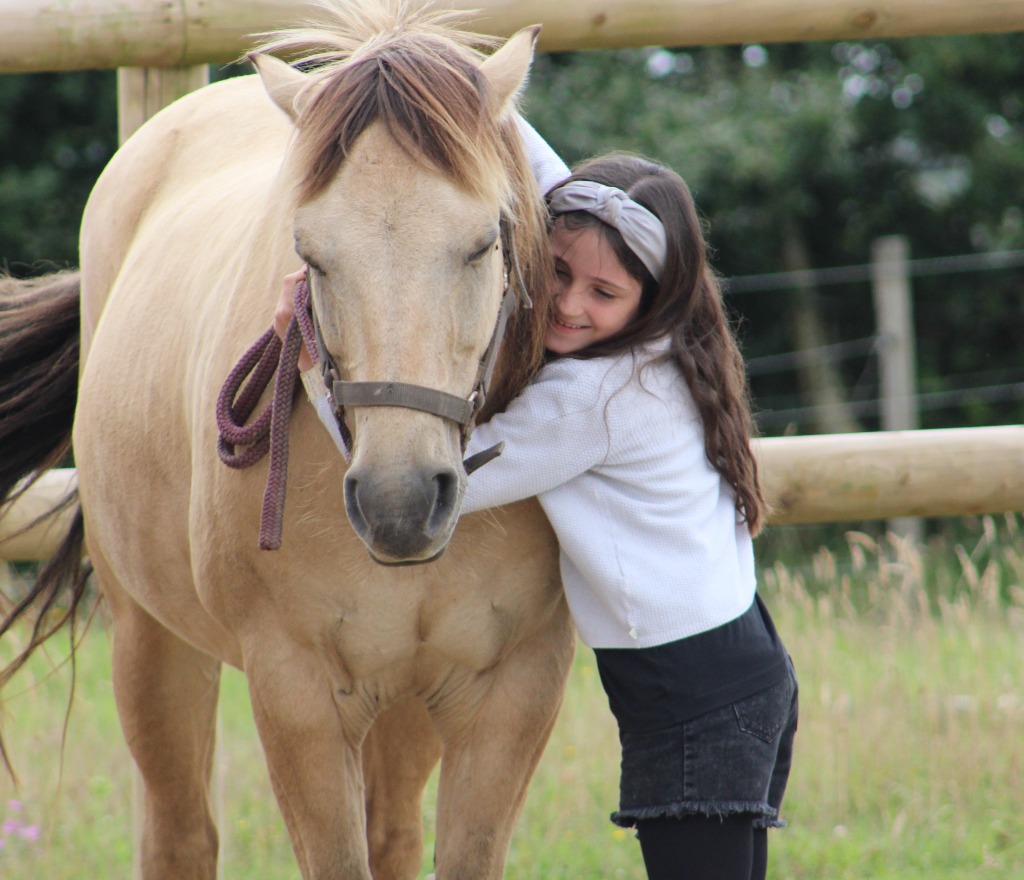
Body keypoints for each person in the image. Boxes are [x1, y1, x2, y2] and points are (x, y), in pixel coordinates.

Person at [276, 128, 797, 880]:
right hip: (741, 671)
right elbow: (543, 175)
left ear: (653, 297)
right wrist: (453, 102)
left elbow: (450, 480)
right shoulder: (666, 348)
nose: (569, 304)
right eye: (557, 271)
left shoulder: (590, 402)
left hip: (693, 701)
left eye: (603, 294)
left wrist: (311, 367)